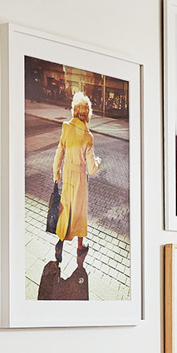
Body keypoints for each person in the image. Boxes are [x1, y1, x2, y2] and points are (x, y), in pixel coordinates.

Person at [52, 91, 101, 265]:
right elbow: (92, 169)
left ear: (74, 110)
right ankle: (80, 248)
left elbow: (59, 152)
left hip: (67, 173)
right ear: (87, 113)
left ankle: (60, 243)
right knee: (79, 211)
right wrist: (98, 161)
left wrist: (56, 173)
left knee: (65, 208)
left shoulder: (66, 127)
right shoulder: (88, 136)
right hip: (80, 177)